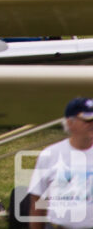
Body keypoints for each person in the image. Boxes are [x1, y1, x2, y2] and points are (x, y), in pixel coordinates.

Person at [25, 96, 93, 228]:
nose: (92, 124)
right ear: (70, 123)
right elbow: (37, 200)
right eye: (87, 120)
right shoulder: (49, 155)